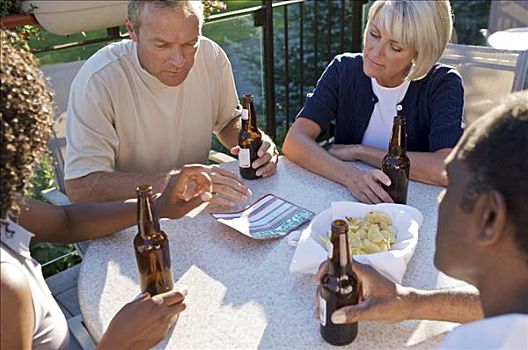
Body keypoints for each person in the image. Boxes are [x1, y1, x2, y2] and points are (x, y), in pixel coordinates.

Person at [0, 29, 215, 349]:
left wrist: (157, 207)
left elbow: (65, 222)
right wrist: (117, 342)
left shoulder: (6, 210)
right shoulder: (6, 286)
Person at [314, 91, 528, 348]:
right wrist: (410, 301)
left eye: (449, 185)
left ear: (489, 218)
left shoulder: (474, 343)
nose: (439, 200)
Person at [64, 0, 279, 205]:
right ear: (132, 30)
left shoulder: (210, 55)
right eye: (162, 45)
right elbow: (81, 187)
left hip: (195, 206)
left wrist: (257, 146)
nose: (179, 61)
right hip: (130, 217)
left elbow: (228, 121)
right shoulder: (99, 80)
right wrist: (171, 183)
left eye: (189, 43)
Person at [283, 0, 464, 204]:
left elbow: (445, 169)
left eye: (395, 47)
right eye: (374, 34)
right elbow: (294, 141)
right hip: (345, 199)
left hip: (412, 206)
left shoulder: (443, 83)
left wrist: (359, 151)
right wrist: (350, 176)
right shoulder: (343, 70)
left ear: (419, 53)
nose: (375, 52)